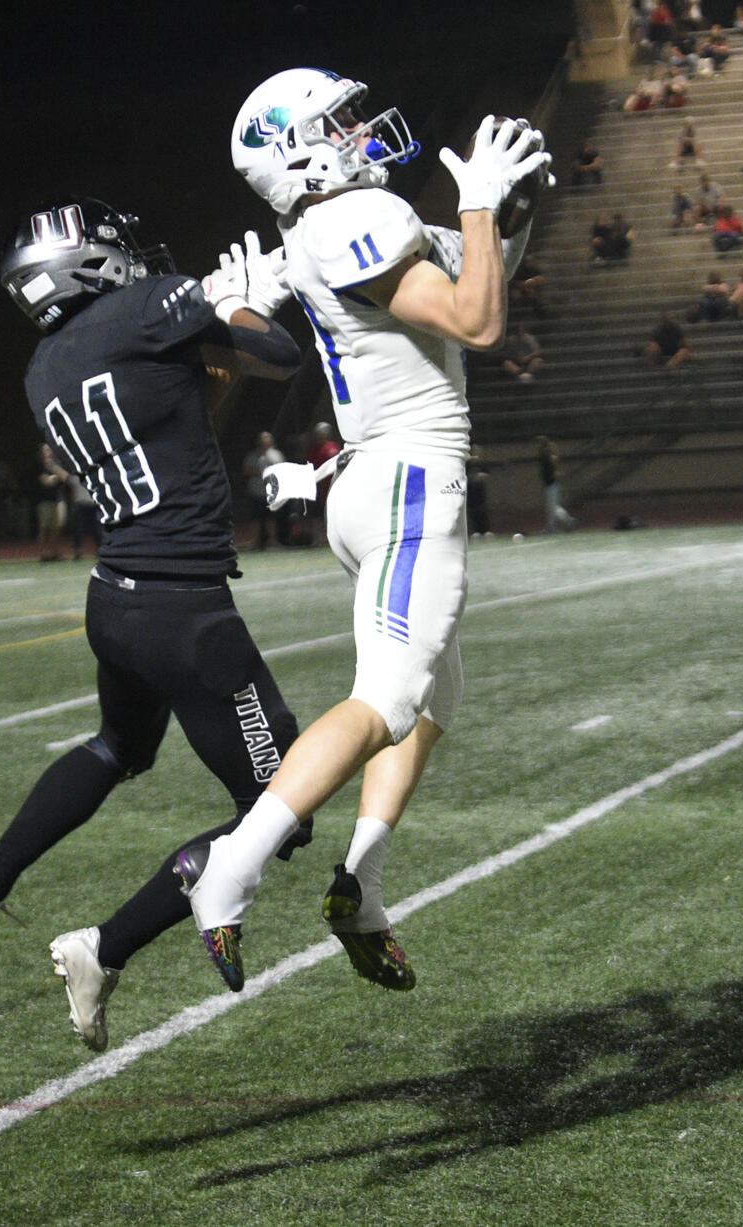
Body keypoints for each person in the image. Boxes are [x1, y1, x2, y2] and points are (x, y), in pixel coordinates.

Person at [174, 71, 552, 993]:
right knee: (384, 701)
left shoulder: (342, 222)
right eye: (334, 120)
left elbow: (467, 278)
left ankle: (362, 889)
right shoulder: (353, 219)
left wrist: (504, 213)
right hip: (408, 477)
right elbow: (479, 321)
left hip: (373, 480)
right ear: (298, 148)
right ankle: (229, 870)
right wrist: (470, 203)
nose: (356, 127)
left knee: (430, 702)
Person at [0, 196, 311, 1052]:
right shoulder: (144, 307)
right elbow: (279, 356)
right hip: (186, 612)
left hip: (116, 596)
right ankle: (103, 946)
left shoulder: (43, 369)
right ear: (87, 263)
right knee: (281, 806)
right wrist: (246, 304)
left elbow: (170, 408)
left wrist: (217, 321)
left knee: (119, 746)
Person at [243, 430, 286, 549]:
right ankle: (254, 542)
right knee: (256, 518)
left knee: (271, 518)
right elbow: (246, 470)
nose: (265, 441)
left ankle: (272, 541)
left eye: (267, 438)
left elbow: (282, 470)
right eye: (262, 438)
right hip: (256, 491)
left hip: (272, 492)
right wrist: (261, 472)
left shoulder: (277, 454)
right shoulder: (253, 455)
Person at [34, 442, 68, 562]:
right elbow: (47, 482)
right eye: (45, 450)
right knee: (44, 528)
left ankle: (54, 552)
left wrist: (54, 469)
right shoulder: (39, 466)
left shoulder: (56, 465)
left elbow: (65, 477)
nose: (48, 452)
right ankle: (43, 553)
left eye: (49, 450)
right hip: (44, 501)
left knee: (56, 528)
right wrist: (56, 476)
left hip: (57, 500)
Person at [536, 436, 577, 533]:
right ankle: (552, 527)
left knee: (553, 507)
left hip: (551, 483)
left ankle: (567, 520)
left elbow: (551, 467)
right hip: (552, 483)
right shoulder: (549, 454)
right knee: (552, 507)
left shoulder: (544, 454)